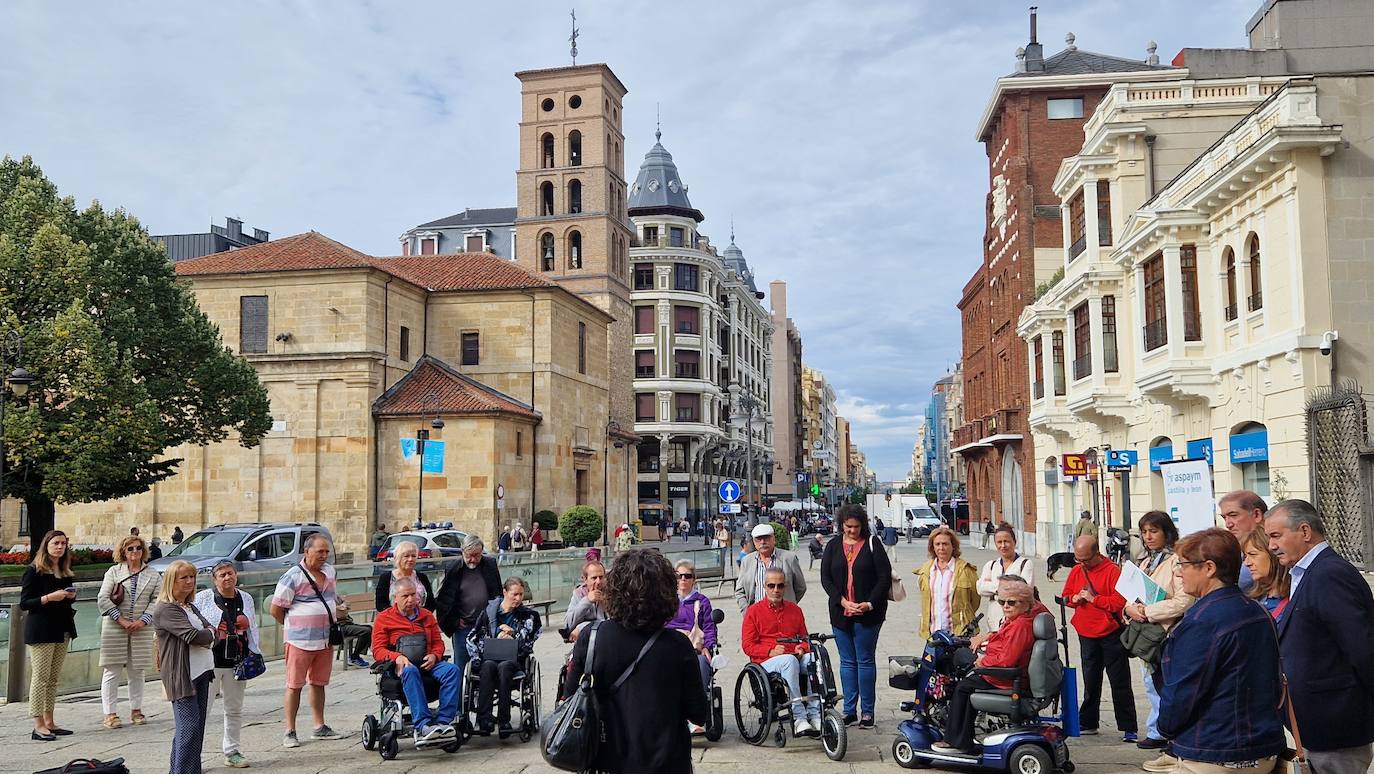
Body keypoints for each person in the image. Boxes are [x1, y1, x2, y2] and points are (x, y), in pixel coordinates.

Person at [564, 548, 707, 773]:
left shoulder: (592, 637)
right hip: (666, 761)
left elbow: (571, 699)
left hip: (608, 761)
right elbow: (698, 712)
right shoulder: (678, 645)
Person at [1157, 528, 1285, 774]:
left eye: (1183, 564)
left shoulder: (1203, 621)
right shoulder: (1258, 611)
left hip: (1215, 752)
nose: (1178, 572)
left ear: (1209, 568)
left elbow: (1183, 691)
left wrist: (1166, 728)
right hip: (1262, 748)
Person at [1266, 499, 1374, 774]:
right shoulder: (1305, 573)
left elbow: (1362, 648)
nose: (1271, 546)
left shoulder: (1329, 574)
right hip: (1318, 724)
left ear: (1304, 531)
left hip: (1336, 725)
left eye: (1276, 536)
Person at [932, 576, 1048, 753]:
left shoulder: (1020, 626)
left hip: (1006, 678)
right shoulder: (1020, 619)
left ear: (1025, 603)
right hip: (1010, 673)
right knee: (965, 668)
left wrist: (983, 661)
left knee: (962, 687)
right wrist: (987, 638)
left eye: (1011, 602)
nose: (1005, 606)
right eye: (1002, 602)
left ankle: (955, 741)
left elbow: (1007, 660)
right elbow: (1002, 637)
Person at [1121, 510, 1194, 756]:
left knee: (1165, 684)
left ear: (1166, 532)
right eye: (1144, 532)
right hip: (1146, 632)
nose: (1148, 536)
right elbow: (1132, 596)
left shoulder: (1176, 560)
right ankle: (1157, 730)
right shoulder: (1145, 560)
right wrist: (1130, 609)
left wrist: (1148, 611)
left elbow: (1184, 601)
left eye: (1154, 531)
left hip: (1168, 632)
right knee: (1150, 682)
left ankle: (1166, 732)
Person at [270, 533, 346, 748]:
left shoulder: (330, 572)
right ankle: (290, 730)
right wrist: (295, 625)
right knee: (294, 685)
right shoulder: (292, 576)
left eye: (326, 552)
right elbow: (276, 609)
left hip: (325, 639)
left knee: (319, 683)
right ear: (307, 551)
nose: (324, 556)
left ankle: (319, 726)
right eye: (319, 551)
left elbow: (331, 597)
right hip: (299, 640)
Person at [818, 504, 891, 728]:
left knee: (865, 660)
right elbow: (825, 578)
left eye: (856, 527)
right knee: (847, 662)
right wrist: (841, 600)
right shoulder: (832, 546)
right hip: (841, 612)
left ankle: (867, 712)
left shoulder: (872, 544)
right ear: (842, 525)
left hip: (868, 613)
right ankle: (849, 710)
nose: (852, 531)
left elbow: (884, 577)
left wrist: (868, 603)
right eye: (848, 527)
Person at [1061, 534, 1137, 740]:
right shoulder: (1077, 570)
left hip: (1111, 632)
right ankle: (1088, 721)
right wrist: (1074, 599)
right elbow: (1065, 596)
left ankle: (1129, 727)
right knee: (1090, 679)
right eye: (1078, 559)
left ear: (1097, 553)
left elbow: (1119, 602)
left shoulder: (1112, 571)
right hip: (1086, 633)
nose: (1081, 563)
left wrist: (1095, 599)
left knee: (1120, 680)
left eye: (1085, 559)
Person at [371, 576, 460, 742]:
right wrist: (396, 657)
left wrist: (435, 655)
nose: (411, 599)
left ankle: (444, 721)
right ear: (395, 598)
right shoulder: (384, 618)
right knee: (410, 670)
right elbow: (378, 650)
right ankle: (423, 725)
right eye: (405, 596)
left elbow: (438, 643)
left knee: (452, 670)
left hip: (428, 662)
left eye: (413, 594)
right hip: (401, 666)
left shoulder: (426, 615)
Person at [194, 560, 261, 769]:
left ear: (236, 575)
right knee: (202, 711)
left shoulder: (246, 598)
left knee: (234, 709)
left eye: (230, 573)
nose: (227, 578)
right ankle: (194, 754)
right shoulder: (203, 598)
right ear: (214, 579)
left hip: (237, 661)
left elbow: (253, 628)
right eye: (222, 575)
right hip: (210, 662)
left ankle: (232, 750)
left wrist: (255, 650)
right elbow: (194, 624)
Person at [742, 567, 821, 736]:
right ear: (764, 586)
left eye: (780, 586)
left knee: (816, 657)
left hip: (793, 655)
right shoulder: (753, 612)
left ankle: (816, 714)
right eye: (771, 586)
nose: (776, 590)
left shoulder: (795, 610)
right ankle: (799, 716)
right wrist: (770, 651)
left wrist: (802, 647)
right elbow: (747, 645)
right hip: (765, 662)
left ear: (785, 587)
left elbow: (804, 638)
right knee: (789, 661)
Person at [155, 559, 216, 774]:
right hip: (182, 675)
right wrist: (212, 634)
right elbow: (193, 635)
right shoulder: (167, 609)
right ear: (172, 581)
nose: (190, 581)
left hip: (201, 671)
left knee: (194, 730)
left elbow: (207, 627)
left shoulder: (190, 606)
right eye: (184, 577)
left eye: (192, 577)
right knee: (188, 728)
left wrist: (209, 633)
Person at [97, 533, 161, 730]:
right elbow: (103, 598)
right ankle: (110, 713)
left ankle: (136, 709)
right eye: (130, 548)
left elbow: (157, 599)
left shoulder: (152, 574)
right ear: (123, 552)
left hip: (141, 627)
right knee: (112, 670)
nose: (135, 552)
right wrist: (121, 619)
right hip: (115, 627)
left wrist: (143, 620)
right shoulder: (114, 572)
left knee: (137, 670)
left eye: (138, 548)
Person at [19, 529, 78, 741]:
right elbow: (25, 603)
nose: (60, 547)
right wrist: (48, 598)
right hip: (41, 629)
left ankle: (50, 720)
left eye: (63, 543)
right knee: (40, 678)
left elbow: (65, 600)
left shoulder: (64, 570)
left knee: (53, 679)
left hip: (62, 628)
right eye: (56, 543)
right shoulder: (34, 571)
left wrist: (69, 596)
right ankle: (38, 724)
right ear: (46, 545)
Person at [465, 577, 541, 736]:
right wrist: (492, 640)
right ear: (504, 592)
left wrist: (514, 636)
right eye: (514, 594)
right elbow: (472, 638)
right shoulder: (488, 614)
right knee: (488, 666)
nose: (518, 599)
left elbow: (529, 643)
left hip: (513, 660)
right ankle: (484, 718)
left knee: (504, 667)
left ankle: (503, 719)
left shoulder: (528, 616)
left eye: (521, 594)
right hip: (490, 658)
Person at [666, 557, 718, 732]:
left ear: (693, 579)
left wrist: (708, 647)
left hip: (694, 648)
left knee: (703, 664)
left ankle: (695, 717)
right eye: (679, 576)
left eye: (687, 576)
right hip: (670, 648)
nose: (683, 580)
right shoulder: (667, 601)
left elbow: (709, 627)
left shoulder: (701, 601)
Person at [435, 534, 501, 670]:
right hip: (463, 627)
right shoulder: (453, 568)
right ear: (462, 551)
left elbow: (497, 593)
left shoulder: (490, 565)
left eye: (477, 555)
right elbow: (444, 599)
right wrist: (454, 621)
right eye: (469, 555)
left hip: (486, 626)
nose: (473, 559)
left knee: (488, 665)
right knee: (461, 665)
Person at [914, 526, 979, 641]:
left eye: (945, 544)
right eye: (937, 544)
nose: (941, 548)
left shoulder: (966, 570)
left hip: (959, 633)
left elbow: (975, 601)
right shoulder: (926, 570)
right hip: (932, 633)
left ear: (953, 546)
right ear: (932, 547)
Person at [975, 523, 1035, 630]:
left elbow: (1025, 591)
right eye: (999, 542)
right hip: (993, 621)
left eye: (1006, 541)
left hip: (1016, 623)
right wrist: (1007, 588)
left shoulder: (1025, 564)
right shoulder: (991, 565)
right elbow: (980, 588)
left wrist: (993, 587)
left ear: (1014, 542)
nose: (1003, 545)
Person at [735, 523, 806, 610]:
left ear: (774, 539)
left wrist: (789, 605)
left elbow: (801, 587)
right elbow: (739, 591)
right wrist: (747, 612)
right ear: (753, 542)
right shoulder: (747, 561)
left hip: (783, 615)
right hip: (756, 616)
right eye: (758, 539)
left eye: (766, 538)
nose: (762, 542)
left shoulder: (789, 558)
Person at [373, 540, 436, 613]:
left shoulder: (422, 577)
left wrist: (420, 616)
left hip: (420, 619)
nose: (410, 559)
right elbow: (381, 604)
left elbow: (431, 602)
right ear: (398, 558)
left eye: (413, 556)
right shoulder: (386, 578)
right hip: (393, 620)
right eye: (406, 556)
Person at [1240, 526, 1290, 617]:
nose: (1246, 563)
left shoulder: (1295, 601)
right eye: (1245, 557)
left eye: (1253, 554)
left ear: (1273, 555)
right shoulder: (1250, 601)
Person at [563, 559, 607, 641]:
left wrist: (581, 627)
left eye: (601, 577)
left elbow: (612, 623)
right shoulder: (579, 593)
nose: (598, 581)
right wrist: (587, 601)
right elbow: (568, 624)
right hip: (585, 642)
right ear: (585, 579)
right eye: (594, 578)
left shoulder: (611, 591)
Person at [334, 596, 373, 669]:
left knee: (369, 628)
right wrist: (343, 607)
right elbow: (339, 613)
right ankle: (354, 657)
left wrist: (343, 606)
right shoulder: (327, 599)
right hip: (339, 627)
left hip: (346, 623)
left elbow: (347, 603)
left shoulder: (334, 595)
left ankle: (356, 655)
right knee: (366, 631)